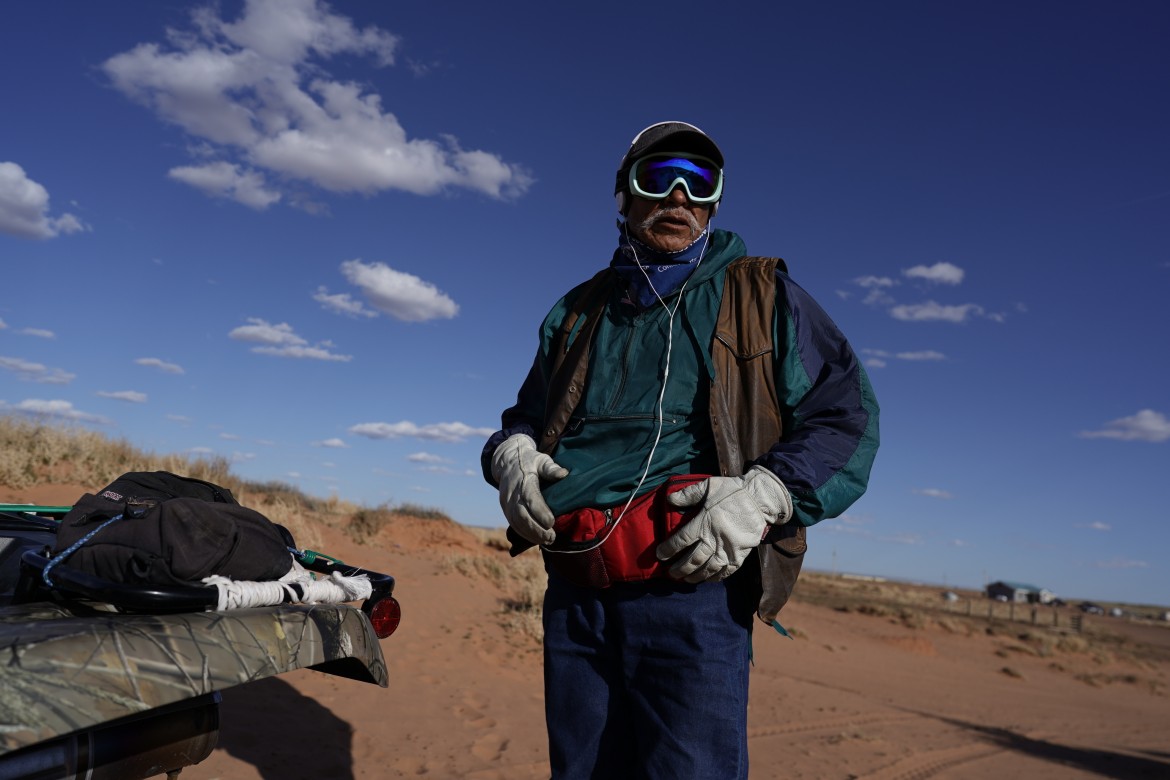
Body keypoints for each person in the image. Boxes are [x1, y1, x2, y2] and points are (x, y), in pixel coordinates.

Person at [481, 121, 879, 779]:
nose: (678, 196)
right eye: (658, 176)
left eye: (699, 182)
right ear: (624, 194)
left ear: (716, 202)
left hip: (692, 599)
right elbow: (524, 417)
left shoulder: (763, 295)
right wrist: (510, 455)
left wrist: (768, 493)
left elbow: (847, 420)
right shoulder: (578, 312)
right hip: (577, 596)